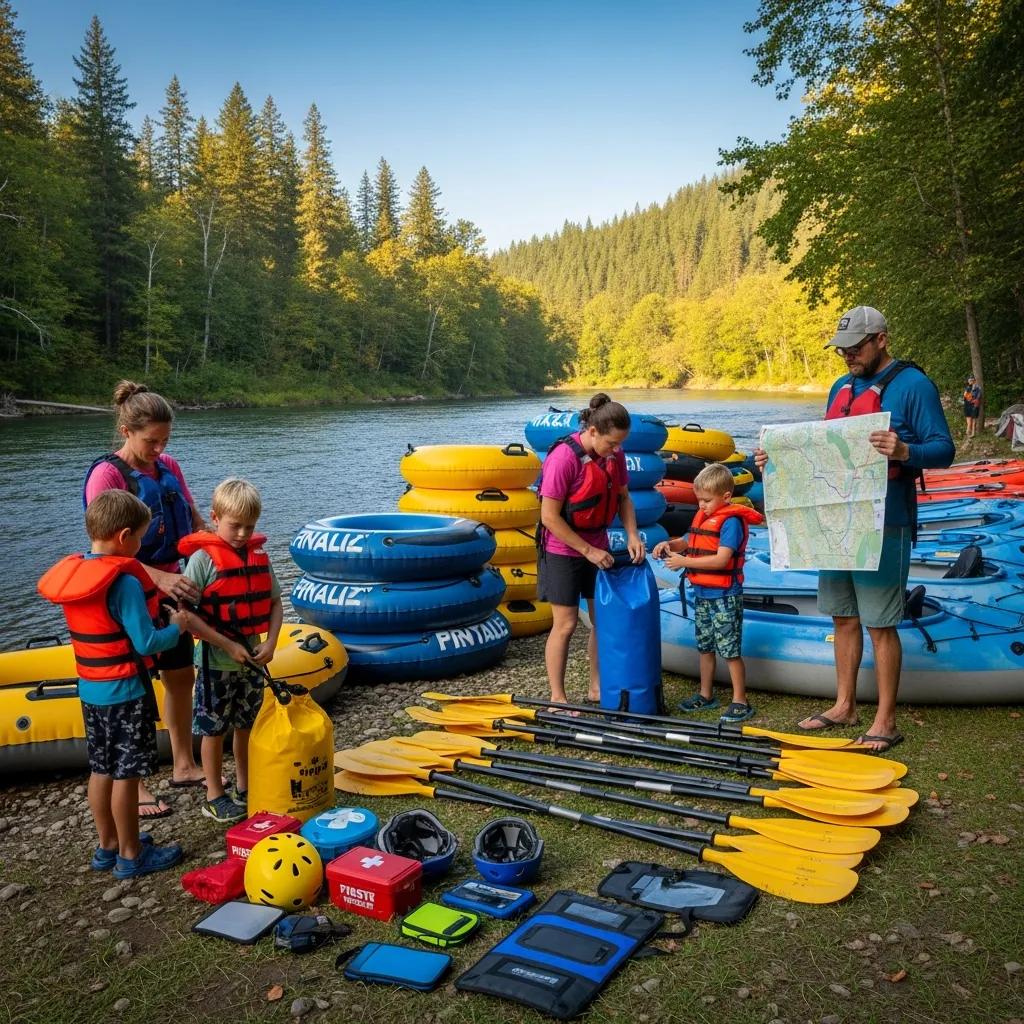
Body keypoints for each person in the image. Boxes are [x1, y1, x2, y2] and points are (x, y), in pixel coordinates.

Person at [754, 306, 954, 751]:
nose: (847, 355)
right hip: (834, 524)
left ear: (881, 339)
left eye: (855, 347)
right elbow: (825, 452)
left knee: (881, 623)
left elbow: (943, 449)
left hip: (886, 522)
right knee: (842, 616)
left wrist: (904, 450)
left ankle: (885, 720)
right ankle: (844, 705)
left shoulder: (914, 386)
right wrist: (775, 460)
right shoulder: (840, 388)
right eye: (841, 348)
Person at [37, 490, 190, 878]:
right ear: (124, 537)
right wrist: (176, 627)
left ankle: (106, 846)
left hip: (91, 691)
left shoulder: (81, 578)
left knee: (101, 769)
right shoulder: (124, 584)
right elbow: (147, 643)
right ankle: (131, 854)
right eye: (140, 537)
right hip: (125, 694)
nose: (141, 545)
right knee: (127, 773)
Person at [84, 380, 207, 817]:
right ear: (126, 431)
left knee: (179, 678)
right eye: (151, 441)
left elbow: (192, 518)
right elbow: (107, 548)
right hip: (132, 595)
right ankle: (133, 787)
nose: (159, 449)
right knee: (134, 692)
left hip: (174, 589)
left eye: (165, 440)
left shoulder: (169, 463)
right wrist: (158, 578)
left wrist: (219, 549)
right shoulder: (108, 475)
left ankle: (184, 764)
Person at [179, 479, 283, 823]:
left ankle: (245, 785)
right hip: (215, 663)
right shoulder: (201, 561)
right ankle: (214, 794)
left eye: (248, 527)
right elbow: (186, 618)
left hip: (251, 663)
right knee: (213, 729)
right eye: (234, 525)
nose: (241, 533)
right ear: (214, 517)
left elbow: (275, 604)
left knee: (246, 725)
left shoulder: (259, 557)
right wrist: (227, 644)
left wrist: (270, 643)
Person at [537, 394, 645, 706]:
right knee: (567, 623)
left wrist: (632, 534)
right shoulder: (563, 458)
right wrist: (588, 551)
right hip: (562, 549)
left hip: (596, 544)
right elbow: (549, 517)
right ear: (593, 432)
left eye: (620, 445)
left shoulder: (614, 455)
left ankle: (596, 686)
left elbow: (623, 498)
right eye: (611, 443)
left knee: (603, 620)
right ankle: (558, 697)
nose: (616, 451)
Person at [652, 463, 764, 723]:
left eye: (706, 500)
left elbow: (721, 560)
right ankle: (706, 693)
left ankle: (740, 700)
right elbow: (688, 541)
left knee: (730, 650)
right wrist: (668, 544)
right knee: (705, 646)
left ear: (725, 497)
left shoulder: (731, 522)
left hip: (724, 596)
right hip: (702, 593)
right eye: (699, 500)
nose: (701, 505)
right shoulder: (703, 515)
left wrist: (684, 562)